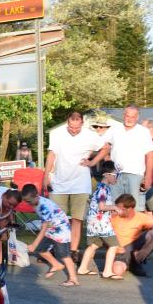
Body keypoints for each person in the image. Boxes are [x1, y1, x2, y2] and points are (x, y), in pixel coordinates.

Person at [44, 111, 110, 263]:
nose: (73, 130)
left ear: (82, 123)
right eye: (71, 127)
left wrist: (93, 163)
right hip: (59, 182)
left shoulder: (90, 135)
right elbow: (52, 155)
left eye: (76, 127)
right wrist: (46, 176)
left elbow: (106, 148)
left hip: (80, 184)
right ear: (67, 122)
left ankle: (73, 250)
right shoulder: (56, 134)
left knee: (77, 219)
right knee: (55, 218)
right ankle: (56, 249)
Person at [21, 183, 79, 287]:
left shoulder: (44, 207)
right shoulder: (35, 202)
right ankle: (56, 265)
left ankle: (73, 279)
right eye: (26, 201)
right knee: (41, 249)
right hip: (51, 229)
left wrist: (33, 244)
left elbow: (43, 228)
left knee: (64, 255)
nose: (28, 204)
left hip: (61, 230)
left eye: (29, 201)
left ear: (36, 195)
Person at [77, 161, 121, 279]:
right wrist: (114, 207)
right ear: (107, 175)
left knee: (93, 246)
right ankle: (107, 271)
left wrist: (110, 209)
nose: (116, 177)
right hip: (101, 224)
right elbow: (102, 206)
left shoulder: (100, 188)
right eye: (115, 175)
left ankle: (82, 268)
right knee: (114, 245)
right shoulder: (103, 189)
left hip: (93, 223)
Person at [107, 105, 153, 211]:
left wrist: (148, 176)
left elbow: (150, 155)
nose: (129, 119)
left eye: (133, 117)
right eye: (127, 116)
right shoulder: (114, 129)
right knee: (115, 206)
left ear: (137, 118)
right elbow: (106, 149)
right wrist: (108, 171)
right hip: (116, 174)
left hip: (135, 175)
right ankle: (116, 228)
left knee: (134, 208)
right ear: (123, 115)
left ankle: (134, 228)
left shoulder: (143, 132)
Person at [110, 193, 153, 277]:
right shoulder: (112, 216)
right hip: (120, 252)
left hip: (134, 248)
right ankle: (129, 264)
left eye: (121, 209)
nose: (117, 211)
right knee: (117, 271)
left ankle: (137, 262)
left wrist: (146, 250)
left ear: (130, 209)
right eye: (116, 208)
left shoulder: (141, 217)